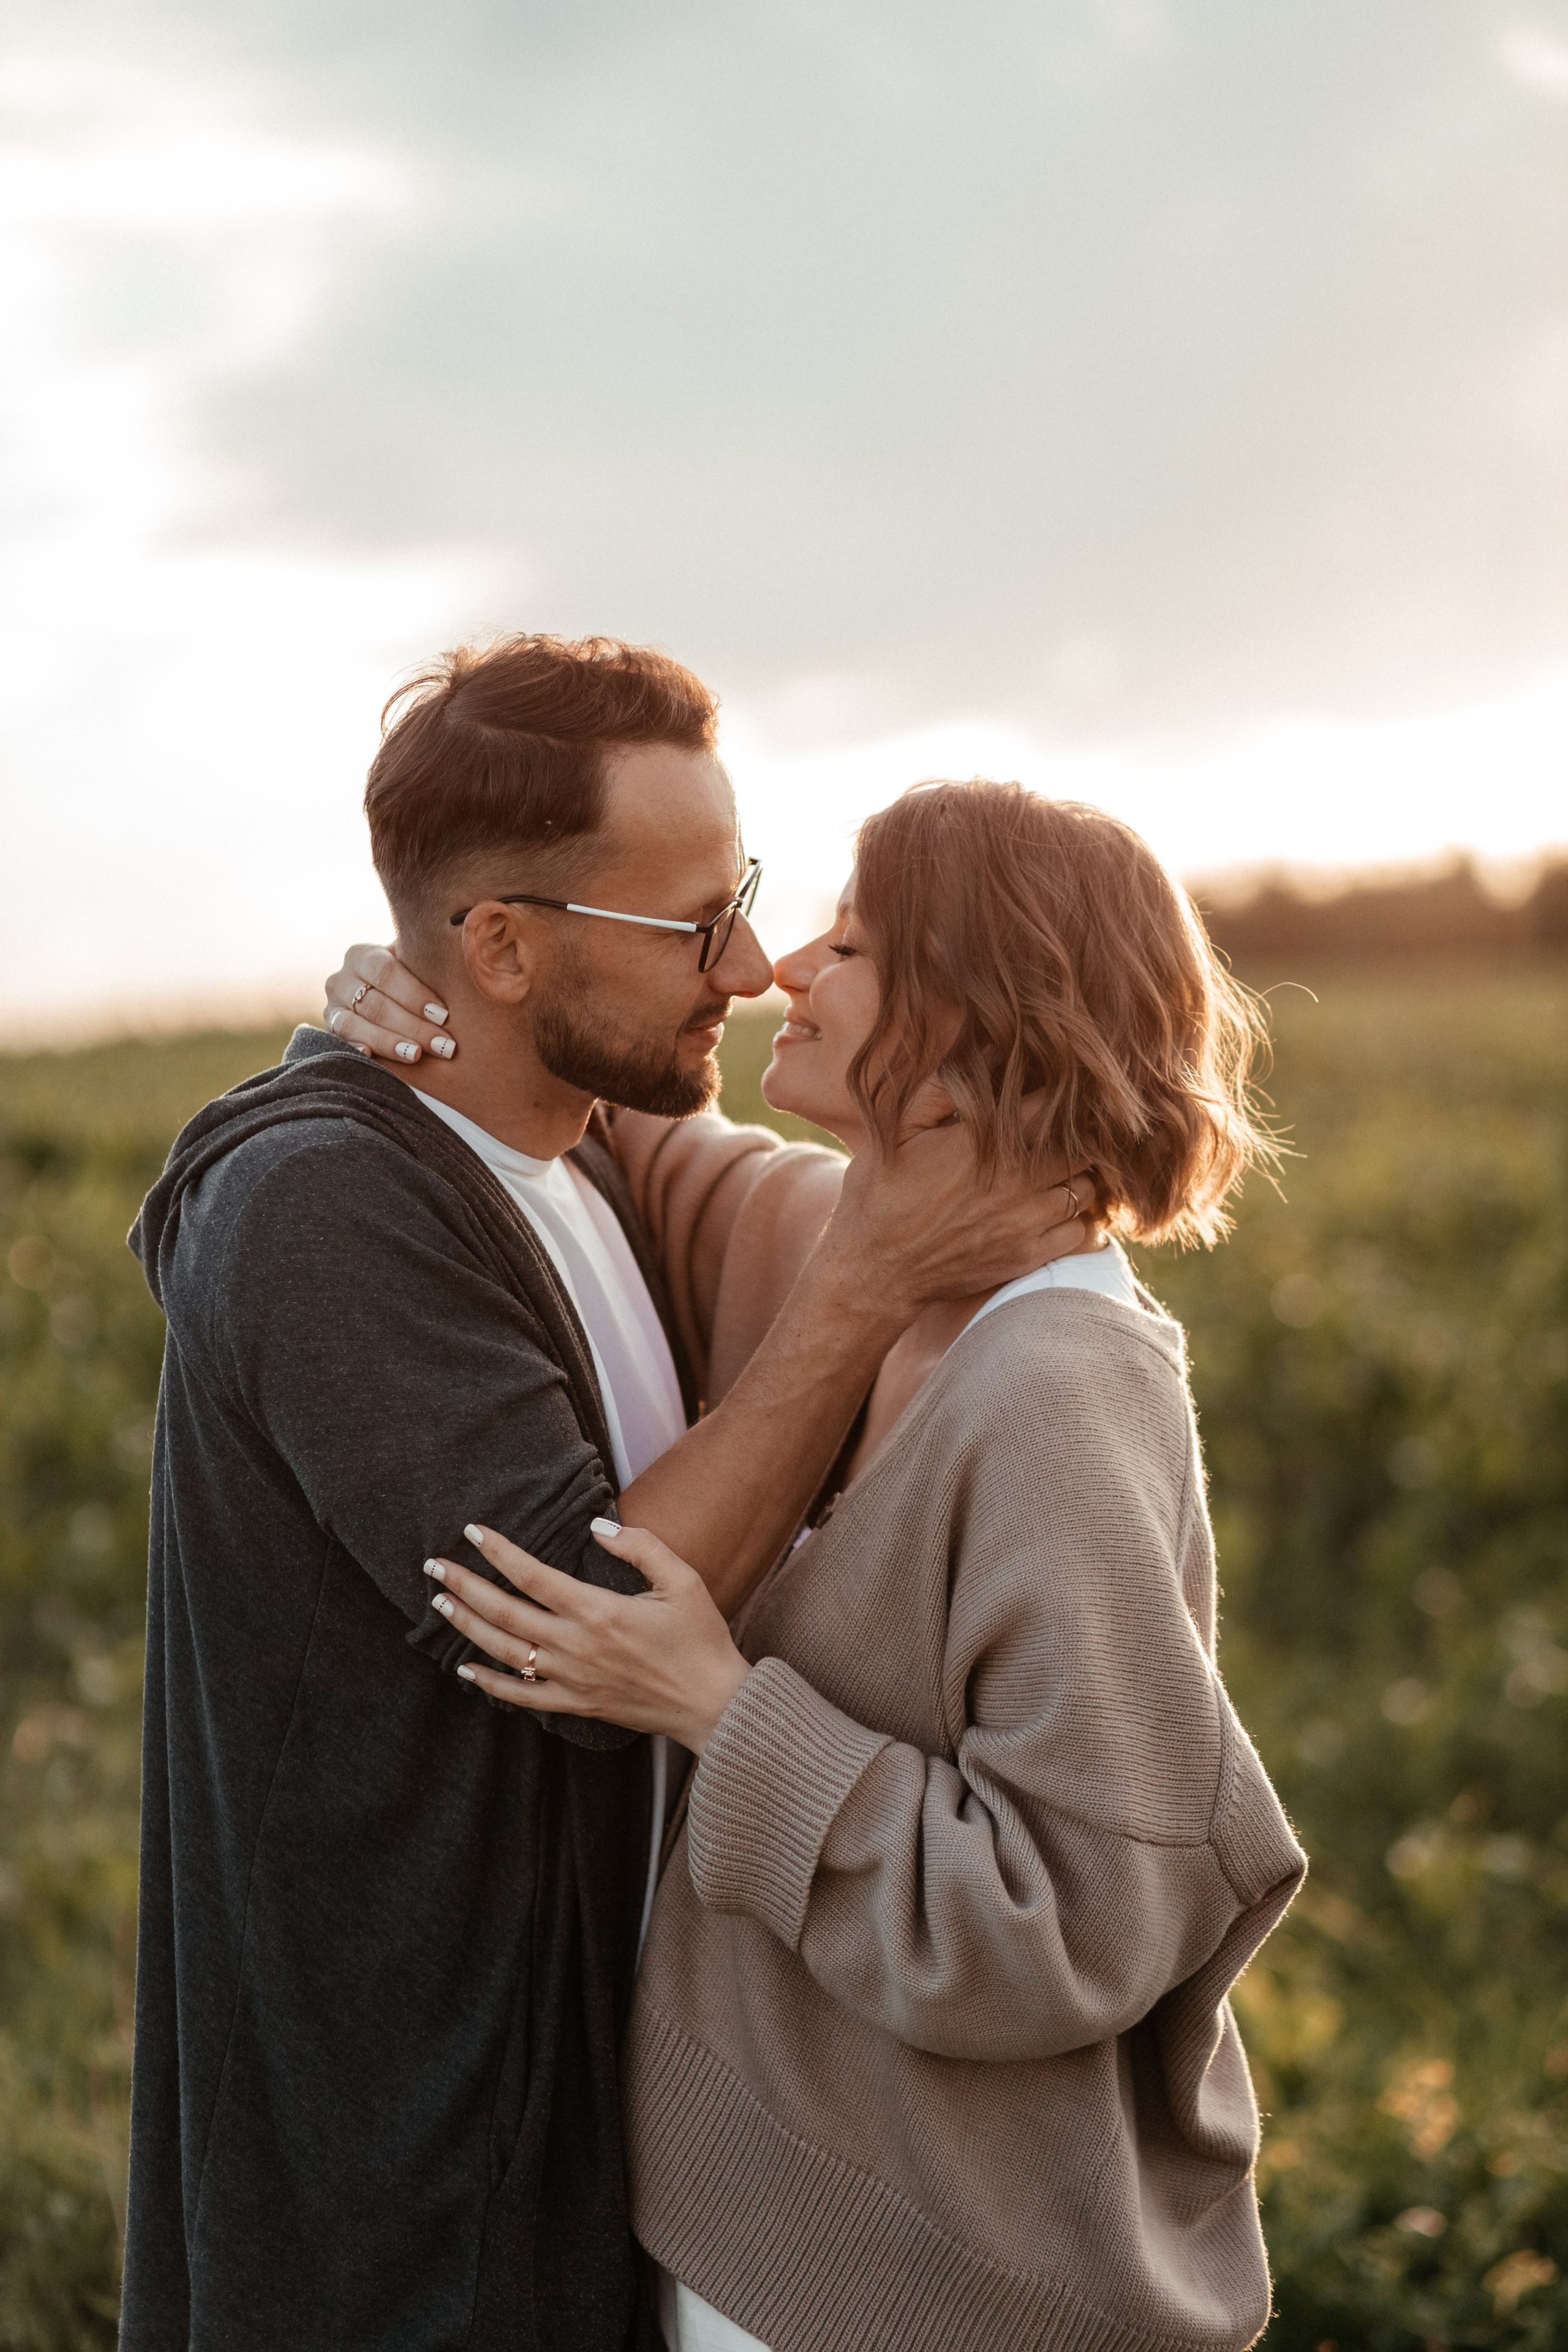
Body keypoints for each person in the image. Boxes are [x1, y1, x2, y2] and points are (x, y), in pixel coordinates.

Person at [123, 637, 1093, 2352]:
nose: (746, 963)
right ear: (497, 944)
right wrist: (863, 1286)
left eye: (752, 899)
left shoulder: (590, 1147)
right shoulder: (323, 1209)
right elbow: (592, 1625)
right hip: (405, 2166)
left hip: (584, 2112)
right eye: (686, 925)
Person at [400, 782, 1310, 2352]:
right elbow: (617, 1138)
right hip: (804, 2251)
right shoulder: (871, 1268)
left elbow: (1069, 1921)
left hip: (932, 2291)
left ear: (976, 1016)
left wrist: (715, 1707)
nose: (785, 969)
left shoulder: (1056, 1388)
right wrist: (419, 992)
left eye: (857, 941)